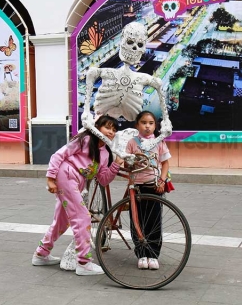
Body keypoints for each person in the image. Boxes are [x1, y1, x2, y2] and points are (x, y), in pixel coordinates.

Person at [32, 115, 124, 276]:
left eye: (114, 130)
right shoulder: (85, 140)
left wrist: (116, 164)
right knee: (82, 217)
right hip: (66, 176)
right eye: (107, 127)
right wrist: (50, 178)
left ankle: (41, 253)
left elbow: (103, 179)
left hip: (73, 182)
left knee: (61, 221)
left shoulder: (105, 153)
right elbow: (58, 155)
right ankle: (83, 262)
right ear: (97, 127)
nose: (111, 132)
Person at [125, 111, 171, 270]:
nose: (147, 126)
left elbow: (165, 164)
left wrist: (162, 180)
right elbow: (126, 165)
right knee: (137, 220)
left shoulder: (159, 142)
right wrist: (130, 162)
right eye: (143, 122)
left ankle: (153, 255)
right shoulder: (132, 142)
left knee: (154, 221)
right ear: (137, 125)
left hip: (154, 186)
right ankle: (141, 254)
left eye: (151, 123)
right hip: (136, 187)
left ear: (155, 126)